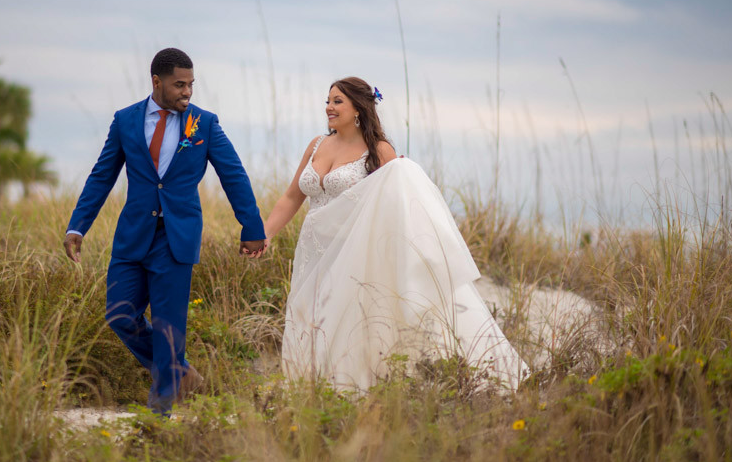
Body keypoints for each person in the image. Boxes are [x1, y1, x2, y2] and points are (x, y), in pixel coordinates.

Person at [263, 77, 528, 391]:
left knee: (341, 320)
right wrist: (265, 234)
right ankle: (308, 388)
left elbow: (399, 199)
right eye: (328, 101)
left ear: (358, 108)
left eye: (337, 101)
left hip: (352, 252)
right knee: (306, 315)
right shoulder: (316, 145)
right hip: (312, 251)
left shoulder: (379, 150)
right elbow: (292, 197)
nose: (329, 108)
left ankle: (345, 388)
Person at [64, 48, 266, 415]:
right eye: (179, 85)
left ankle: (157, 419)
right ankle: (180, 372)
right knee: (119, 315)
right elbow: (102, 176)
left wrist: (251, 226)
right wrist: (78, 225)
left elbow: (233, 175)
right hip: (132, 237)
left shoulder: (204, 124)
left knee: (169, 329)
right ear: (156, 82)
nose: (187, 92)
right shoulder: (125, 120)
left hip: (176, 239)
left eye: (191, 84)